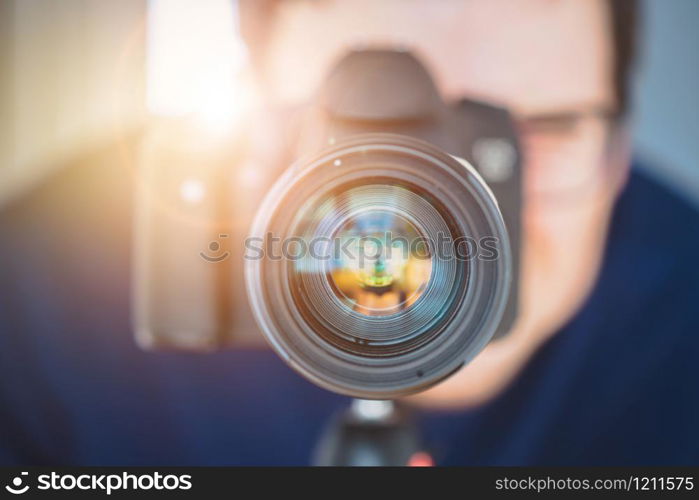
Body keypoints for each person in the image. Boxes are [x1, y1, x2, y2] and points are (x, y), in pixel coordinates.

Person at [1, 0, 697, 465]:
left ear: (616, 155)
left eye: (528, 136)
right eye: (370, 140)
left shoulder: (683, 320)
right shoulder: (37, 294)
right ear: (254, 124)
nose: (443, 215)